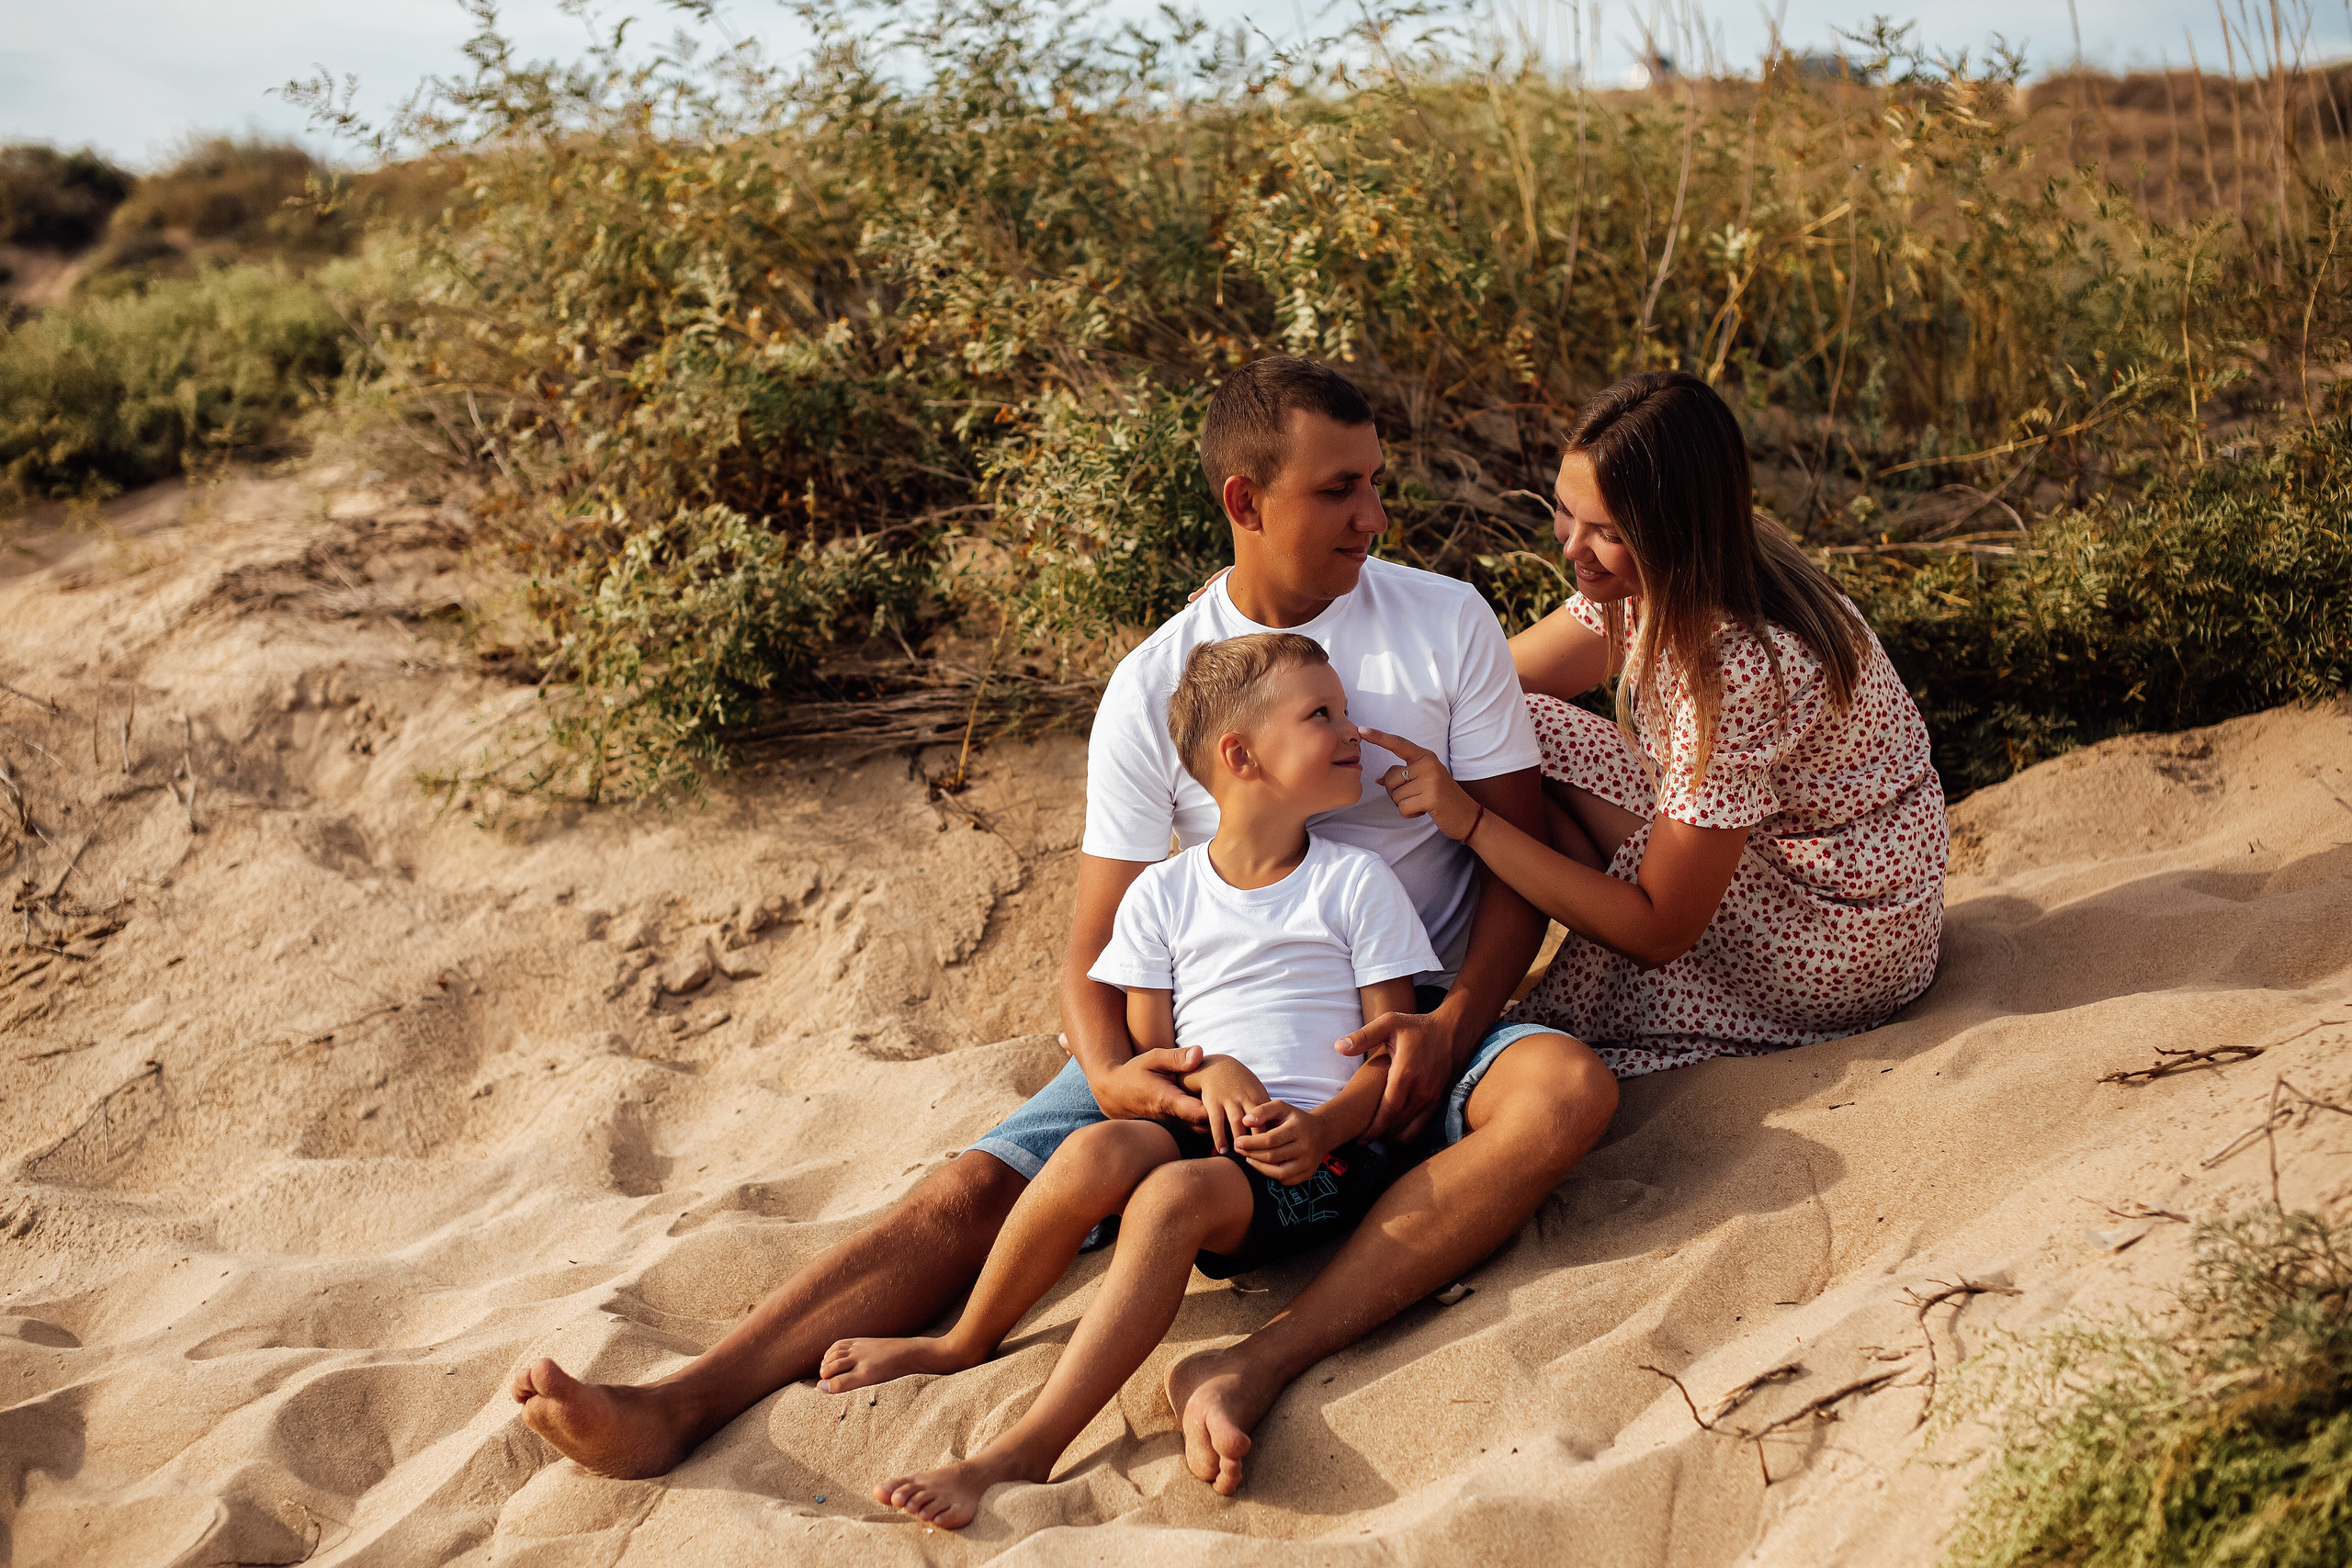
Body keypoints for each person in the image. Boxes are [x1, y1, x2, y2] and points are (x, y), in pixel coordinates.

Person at [508, 355, 1620, 1498]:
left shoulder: (1445, 620)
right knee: (972, 1188)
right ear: (1245, 502)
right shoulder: (1157, 691)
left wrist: (1453, 1028)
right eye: (1338, 490)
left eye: (1375, 482)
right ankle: (678, 1403)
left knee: (1566, 1095)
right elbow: (1096, 952)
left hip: (1414, 1013)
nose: (1373, 516)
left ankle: (1255, 1360)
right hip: (1217, 1043)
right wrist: (1124, 1076)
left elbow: (1511, 864)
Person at [819, 633, 1438, 1528]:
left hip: (1316, 1153)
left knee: (1171, 1199)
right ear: (1240, 754)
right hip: (1206, 1123)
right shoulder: (1162, 897)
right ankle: (962, 1340)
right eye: (1323, 715)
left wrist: (1326, 1131)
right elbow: (1155, 1055)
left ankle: (1021, 1449)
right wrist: (1215, 1070)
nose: (1354, 732)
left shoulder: (1354, 882)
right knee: (1096, 1146)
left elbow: (1391, 1054)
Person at [1366, 369, 1948, 1076]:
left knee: (1521, 751)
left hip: (1840, 936)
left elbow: (1660, 930)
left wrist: (1474, 824)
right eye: (1564, 510)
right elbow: (1493, 678)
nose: (1571, 545)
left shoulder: (1738, 664)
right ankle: (1464, 958)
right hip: (1851, 877)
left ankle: (1449, 986)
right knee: (1503, 721)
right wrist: (1281, 610)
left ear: (1675, 530)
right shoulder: (1688, 567)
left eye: (1606, 531)